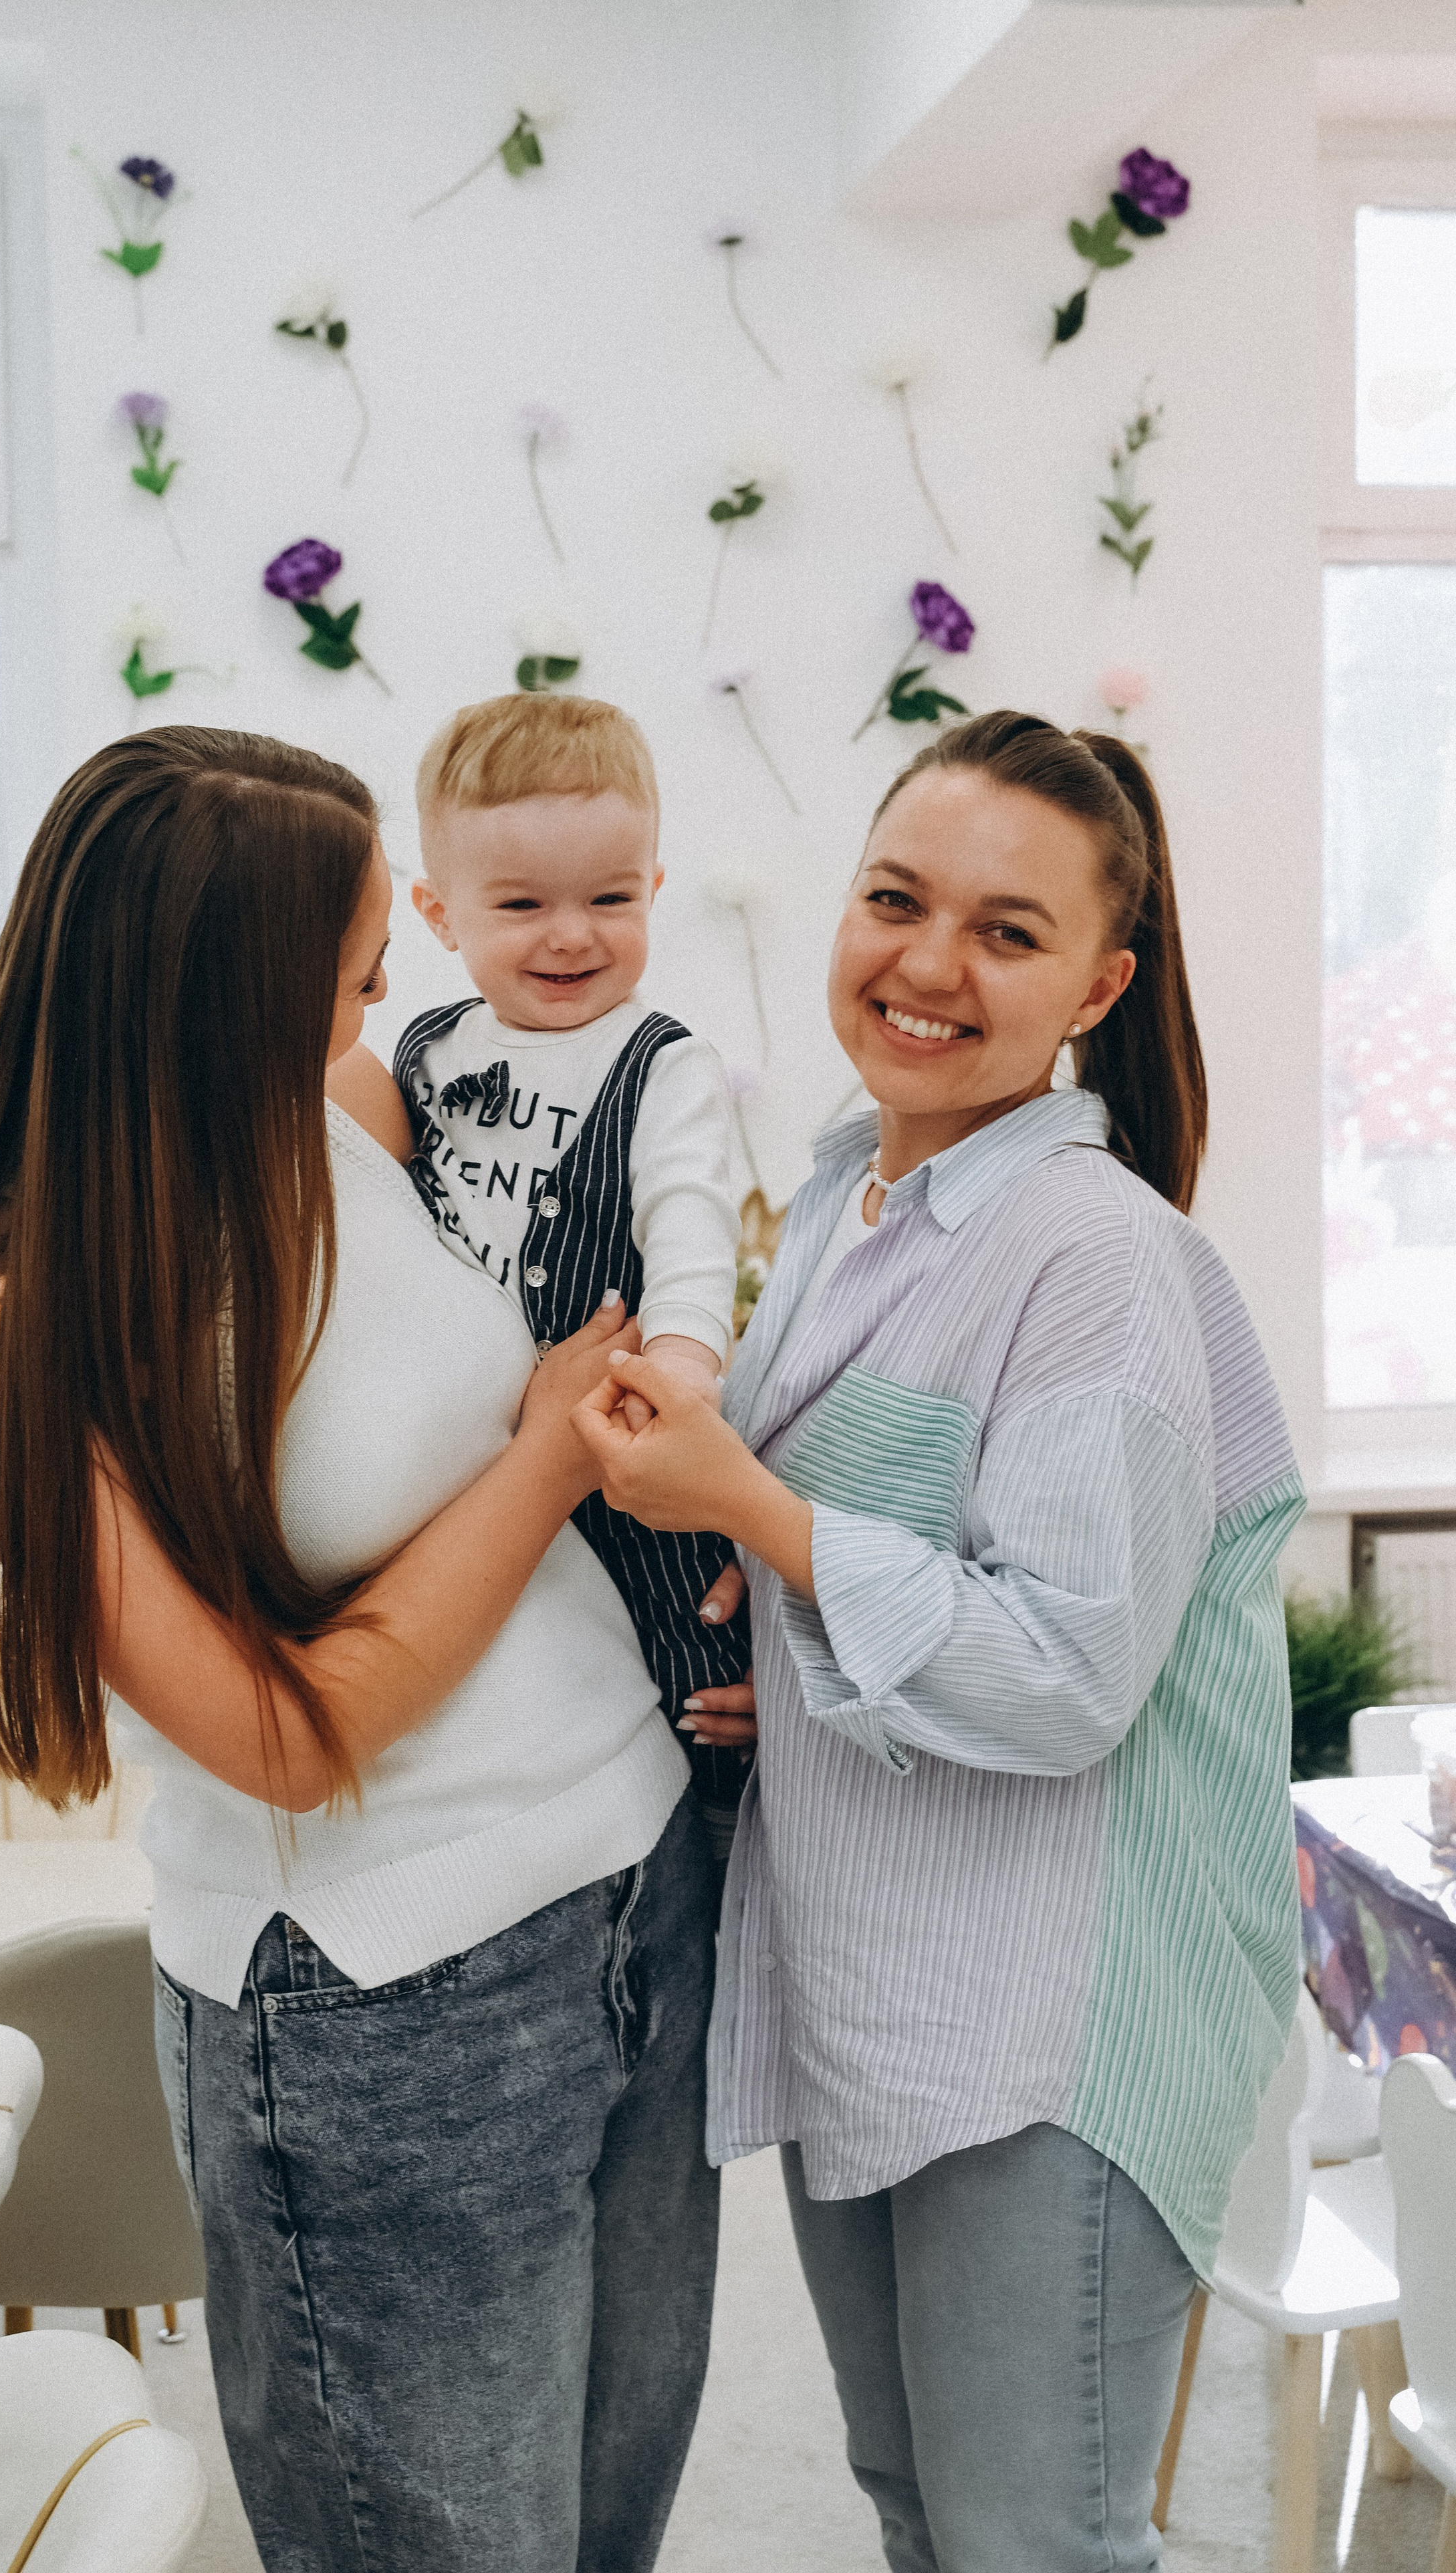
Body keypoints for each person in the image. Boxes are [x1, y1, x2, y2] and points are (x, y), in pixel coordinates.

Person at [0, 727, 719, 2573]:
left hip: (639, 1890)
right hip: (384, 1998)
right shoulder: (7, 1332)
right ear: (214, 993)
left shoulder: (343, 1111)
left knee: (607, 2525)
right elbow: (281, 1733)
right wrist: (550, 1448)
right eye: (348, 970)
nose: (391, 1000)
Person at [575, 711, 1304, 2572]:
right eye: (896, 901)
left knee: (1033, 2540)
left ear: (1097, 983)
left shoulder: (1096, 1256)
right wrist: (788, 1652)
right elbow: (893, 1546)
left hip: (1052, 2018)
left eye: (1005, 931)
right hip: (878, 1982)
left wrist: (757, 1512)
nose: (925, 964)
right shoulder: (852, 1193)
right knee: (923, 2511)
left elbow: (1064, 1671)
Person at [396, 693, 753, 1844]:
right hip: (466, 1442)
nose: (571, 935)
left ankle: (712, 1827)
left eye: (608, 899)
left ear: (652, 890)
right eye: (522, 905)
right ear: (440, 914)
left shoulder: (664, 1064)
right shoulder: (425, 1053)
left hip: (619, 1436)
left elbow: (693, 1228)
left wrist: (685, 1375)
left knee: (681, 1656)